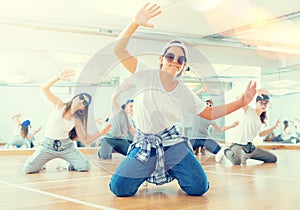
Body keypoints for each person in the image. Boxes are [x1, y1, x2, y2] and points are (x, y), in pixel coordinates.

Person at [109, 2, 256, 197]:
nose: (174, 61)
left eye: (180, 60)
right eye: (170, 56)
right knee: (119, 189)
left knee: (199, 188)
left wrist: (242, 102)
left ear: (183, 67)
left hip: (172, 143)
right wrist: (135, 22)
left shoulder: (184, 91)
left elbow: (210, 113)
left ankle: (172, 168)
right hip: (146, 142)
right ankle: (145, 170)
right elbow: (118, 50)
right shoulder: (145, 73)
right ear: (161, 59)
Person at [23, 69, 111, 174]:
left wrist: (100, 133)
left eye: (84, 102)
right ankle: (42, 162)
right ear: (75, 97)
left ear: (83, 108)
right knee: (28, 169)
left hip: (66, 147)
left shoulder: (77, 120)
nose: (81, 101)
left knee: (85, 166)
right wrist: (58, 77)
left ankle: (65, 164)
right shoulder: (59, 105)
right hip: (47, 146)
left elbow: (86, 141)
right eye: (81, 97)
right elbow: (44, 88)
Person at [224, 92, 280, 165]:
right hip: (238, 145)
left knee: (273, 159)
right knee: (236, 161)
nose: (263, 105)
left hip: (250, 148)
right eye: (261, 103)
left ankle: (245, 155)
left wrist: (274, 127)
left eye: (265, 103)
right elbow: (238, 98)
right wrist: (255, 92)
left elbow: (261, 134)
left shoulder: (261, 120)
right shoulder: (249, 111)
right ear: (256, 103)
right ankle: (225, 151)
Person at [98, 83, 136, 160]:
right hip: (108, 139)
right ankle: (102, 151)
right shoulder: (118, 111)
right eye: (131, 106)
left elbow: (134, 133)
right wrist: (123, 89)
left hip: (120, 140)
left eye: (134, 107)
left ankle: (114, 149)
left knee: (133, 154)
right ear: (125, 106)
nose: (132, 108)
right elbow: (113, 98)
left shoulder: (129, 120)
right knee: (105, 157)